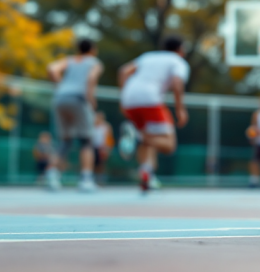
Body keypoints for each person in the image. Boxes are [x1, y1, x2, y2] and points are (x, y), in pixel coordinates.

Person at [117, 35, 190, 192]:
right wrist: (180, 109)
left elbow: (123, 71)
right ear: (180, 50)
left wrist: (123, 98)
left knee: (149, 139)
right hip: (150, 100)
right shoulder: (178, 62)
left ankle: (146, 173)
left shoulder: (148, 57)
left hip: (129, 99)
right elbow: (177, 83)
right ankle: (136, 138)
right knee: (168, 145)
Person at [46, 38, 104, 192]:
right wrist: (91, 100)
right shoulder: (94, 62)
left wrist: (61, 86)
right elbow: (91, 79)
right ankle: (86, 180)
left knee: (65, 141)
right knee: (86, 141)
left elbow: (52, 69)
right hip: (79, 99)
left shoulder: (70, 60)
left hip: (60, 99)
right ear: (92, 49)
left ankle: (52, 175)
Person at [92, 111, 114, 184]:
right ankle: (94, 179)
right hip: (94, 147)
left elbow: (109, 138)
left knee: (101, 164)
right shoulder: (93, 126)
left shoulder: (106, 126)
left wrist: (108, 148)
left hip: (103, 148)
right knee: (93, 163)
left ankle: (101, 179)